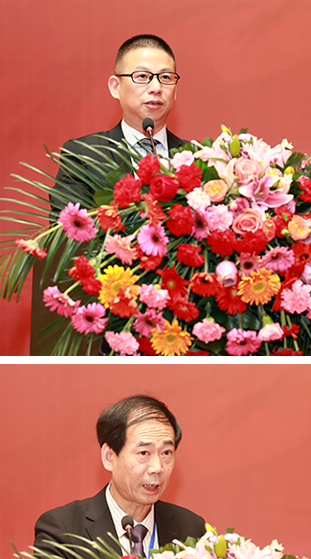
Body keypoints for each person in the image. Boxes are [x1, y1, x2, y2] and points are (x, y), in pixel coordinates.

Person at [31, 34, 189, 354]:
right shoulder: (84, 155)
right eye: (142, 76)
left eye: (166, 78)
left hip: (180, 325)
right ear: (116, 86)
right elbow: (66, 234)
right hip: (109, 324)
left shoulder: (196, 159)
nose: (155, 87)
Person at [28, 395, 206, 559]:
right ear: (109, 457)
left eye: (166, 452)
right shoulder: (64, 528)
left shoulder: (190, 528)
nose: (157, 467)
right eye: (144, 452)